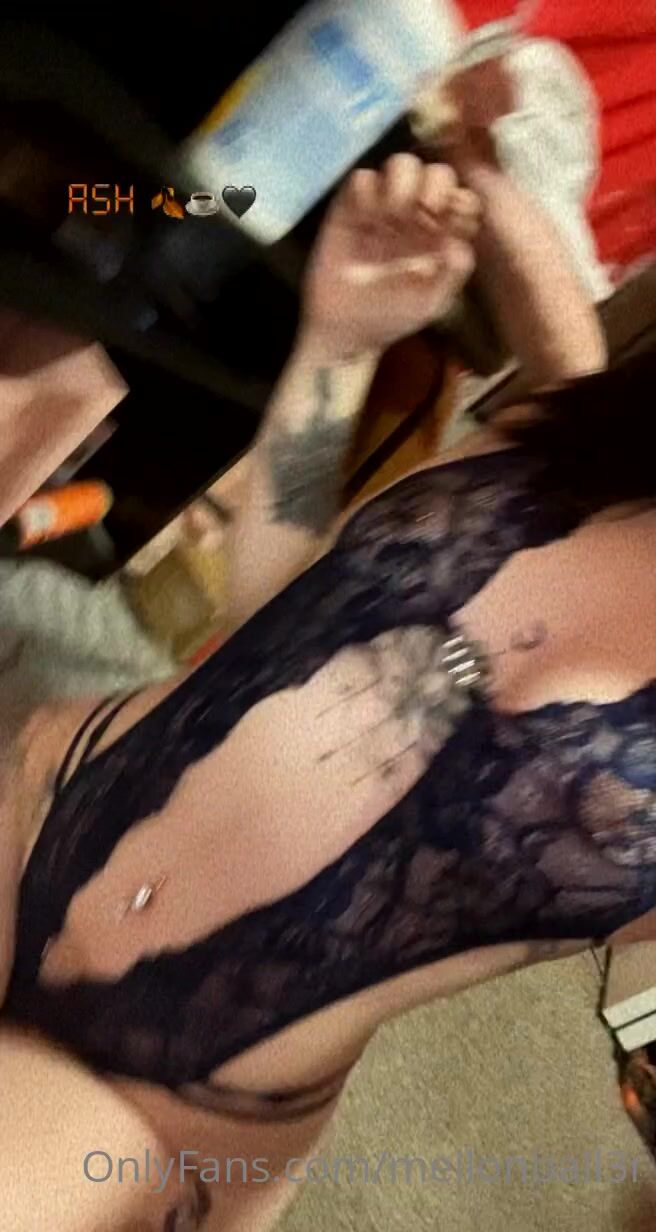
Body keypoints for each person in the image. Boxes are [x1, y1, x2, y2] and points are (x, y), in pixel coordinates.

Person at [2, 97, 655, 1232]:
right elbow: (273, 622)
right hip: (32, 802)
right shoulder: (591, 436)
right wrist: (338, 348)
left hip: (157, 1100)